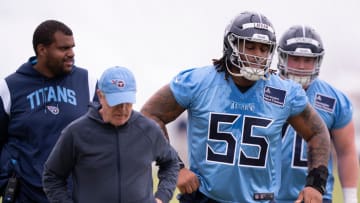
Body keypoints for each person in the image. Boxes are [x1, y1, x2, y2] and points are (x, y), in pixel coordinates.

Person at [140, 11, 332, 203]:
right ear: (231, 45)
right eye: (250, 47)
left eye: (264, 49)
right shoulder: (198, 83)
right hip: (204, 197)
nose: (258, 55)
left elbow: (317, 132)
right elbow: (150, 115)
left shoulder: (284, 92)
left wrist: (316, 183)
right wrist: (175, 166)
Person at [42, 66, 179, 203]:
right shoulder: (76, 132)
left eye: (128, 103)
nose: (123, 110)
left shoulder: (148, 130)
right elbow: (52, 177)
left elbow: (171, 163)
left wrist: (161, 198)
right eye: (117, 103)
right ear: (100, 96)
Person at [0, 20, 98, 202]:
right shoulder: (9, 88)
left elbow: (106, 136)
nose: (71, 54)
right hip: (26, 196)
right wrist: (6, 182)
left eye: (72, 47)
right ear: (42, 50)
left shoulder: (88, 83)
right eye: (63, 48)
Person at [276, 25, 359, 203]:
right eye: (295, 58)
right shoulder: (264, 91)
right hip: (266, 196)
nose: (301, 66)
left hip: (316, 196)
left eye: (308, 60)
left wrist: (350, 199)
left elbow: (346, 151)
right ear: (283, 57)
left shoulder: (334, 100)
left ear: (318, 61)